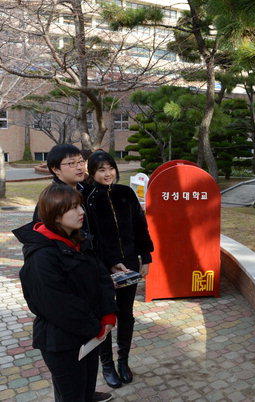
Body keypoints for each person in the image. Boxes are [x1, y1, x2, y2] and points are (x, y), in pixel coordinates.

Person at [13, 184, 118, 402]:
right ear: (55, 215)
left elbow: (102, 279)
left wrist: (108, 314)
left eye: (80, 205)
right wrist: (95, 327)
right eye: (73, 208)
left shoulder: (78, 241)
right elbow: (57, 304)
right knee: (72, 396)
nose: (81, 211)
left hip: (89, 335)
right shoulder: (42, 257)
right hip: (62, 341)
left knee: (87, 391)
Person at [84, 151, 154, 388]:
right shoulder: (89, 198)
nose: (107, 174)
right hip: (103, 268)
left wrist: (146, 257)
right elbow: (91, 239)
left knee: (127, 314)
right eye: (101, 170)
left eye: (110, 168)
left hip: (130, 266)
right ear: (92, 173)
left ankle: (123, 361)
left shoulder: (126, 193)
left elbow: (140, 226)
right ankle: (107, 366)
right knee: (106, 315)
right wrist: (110, 261)